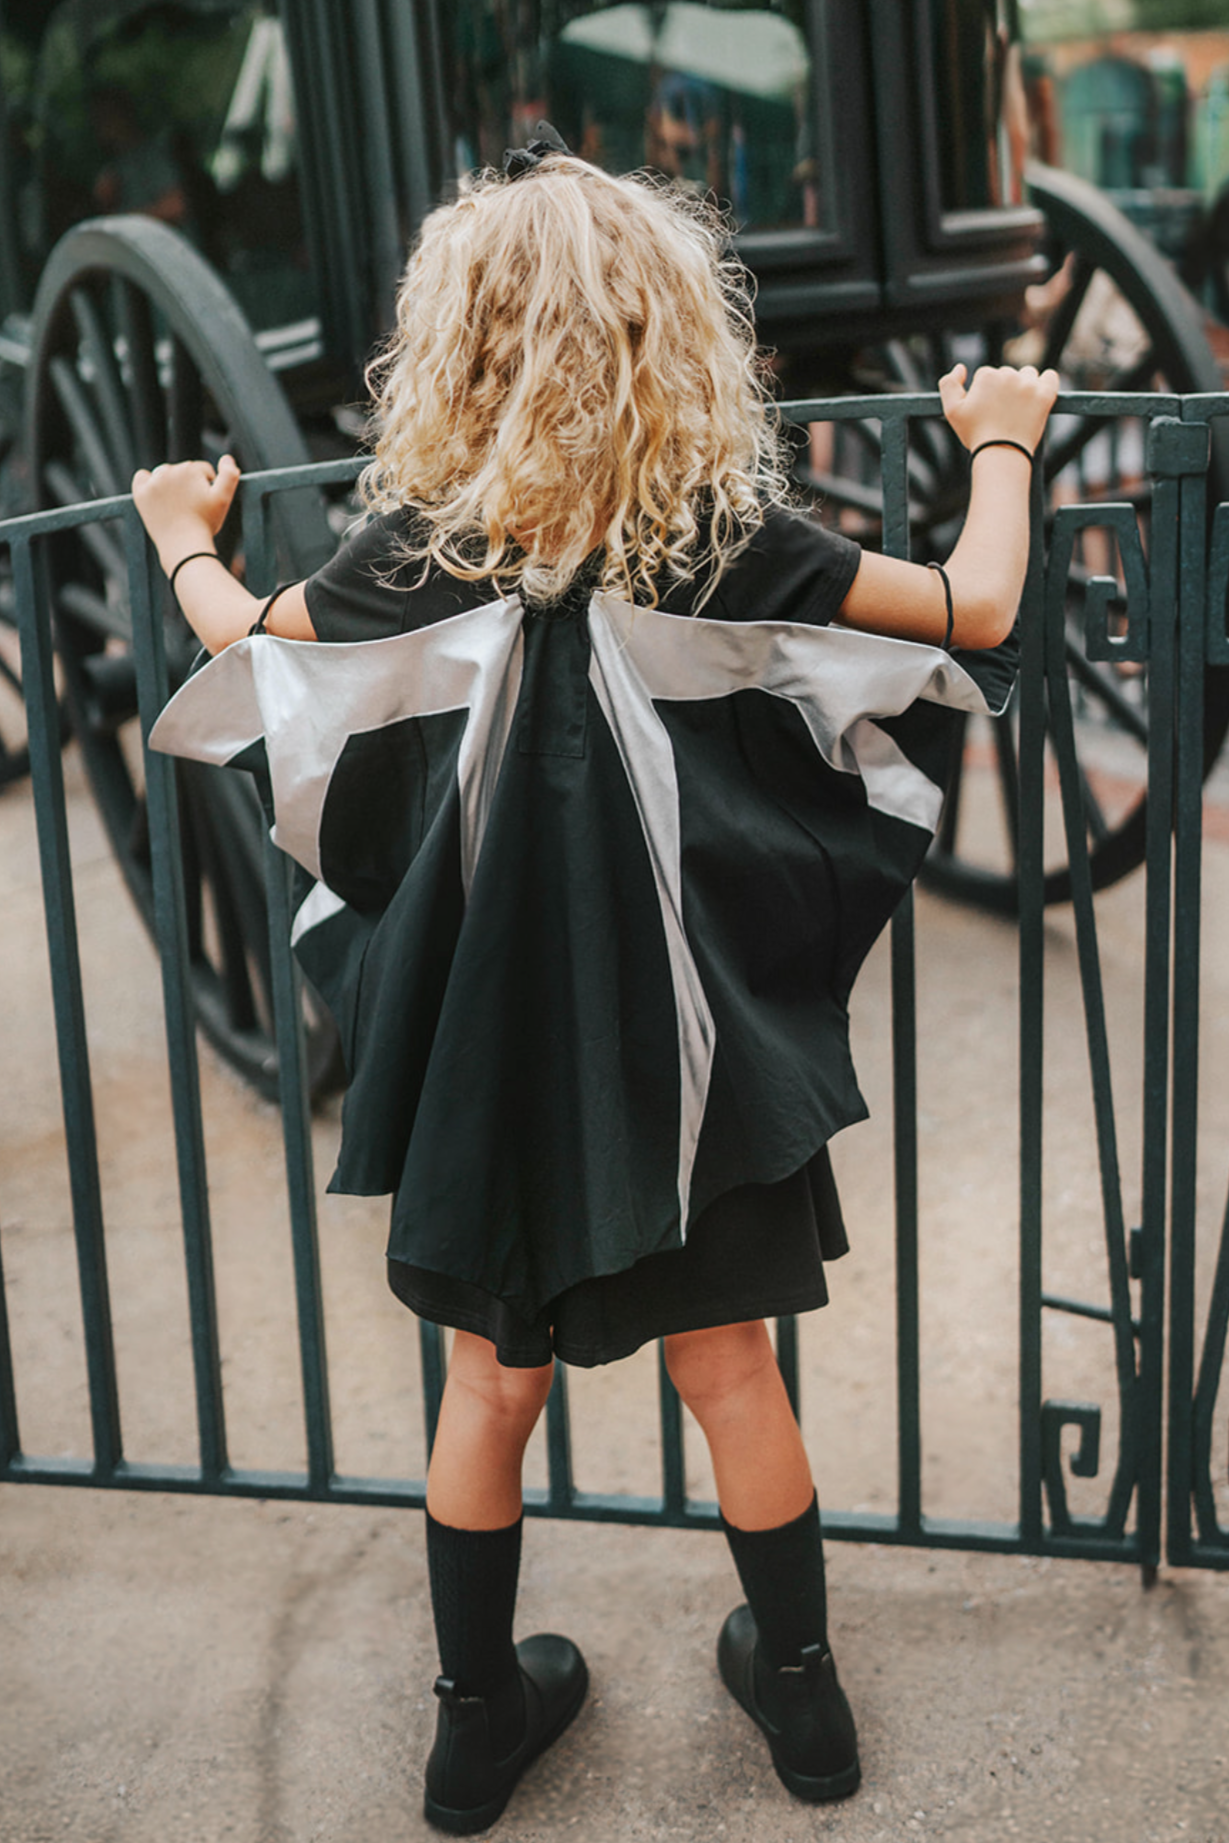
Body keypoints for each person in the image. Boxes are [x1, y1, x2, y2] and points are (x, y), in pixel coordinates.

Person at [133, 136, 1057, 1836]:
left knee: (489, 1388)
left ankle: (476, 1722)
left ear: (457, 349)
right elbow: (978, 606)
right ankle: (799, 1700)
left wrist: (179, 528)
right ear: (670, 334)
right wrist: (999, 442)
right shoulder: (728, 539)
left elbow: (243, 640)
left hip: (493, 1051)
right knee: (733, 1372)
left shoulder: (418, 548)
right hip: (690, 1045)